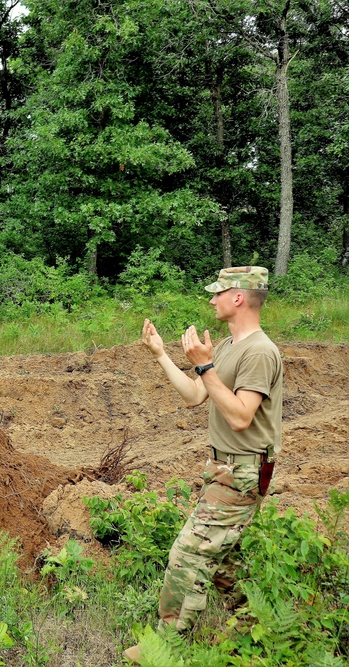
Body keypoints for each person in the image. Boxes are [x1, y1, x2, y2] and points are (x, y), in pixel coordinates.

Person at [123, 266, 283, 664]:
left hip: (242, 472)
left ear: (239, 297)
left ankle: (165, 648)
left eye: (217, 293)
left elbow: (241, 416)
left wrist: (206, 367)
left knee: (188, 555)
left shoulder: (260, 352)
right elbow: (196, 395)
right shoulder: (229, 345)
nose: (211, 300)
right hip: (224, 469)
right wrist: (163, 356)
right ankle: (260, 627)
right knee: (223, 560)